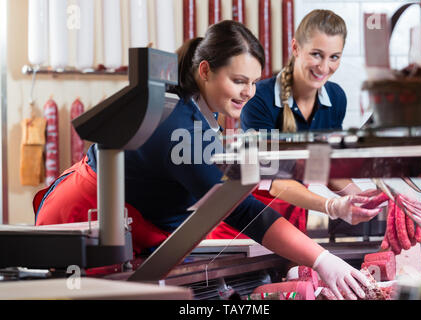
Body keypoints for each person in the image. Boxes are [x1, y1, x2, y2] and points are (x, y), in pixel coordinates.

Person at [33, 20, 373, 300]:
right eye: (239, 81)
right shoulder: (176, 122)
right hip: (84, 218)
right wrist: (323, 259)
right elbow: (240, 210)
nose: (249, 92)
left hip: (138, 224)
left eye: (253, 82)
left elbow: (233, 190)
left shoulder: (203, 110)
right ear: (206, 71)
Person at [209, 9, 381, 240]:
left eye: (334, 57)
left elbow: (323, 166)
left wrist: (360, 198)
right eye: (317, 54)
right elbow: (274, 181)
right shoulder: (260, 97)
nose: (324, 67)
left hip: (292, 220)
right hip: (244, 225)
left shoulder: (336, 98)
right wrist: (332, 206)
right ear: (296, 48)